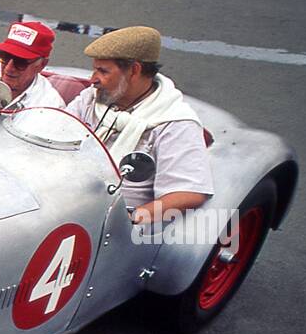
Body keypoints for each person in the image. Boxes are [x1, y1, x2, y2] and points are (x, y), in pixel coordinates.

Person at [66, 26, 213, 224]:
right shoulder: (91, 99)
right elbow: (58, 131)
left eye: (102, 71)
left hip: (112, 222)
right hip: (66, 200)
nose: (93, 79)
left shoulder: (175, 123)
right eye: (95, 69)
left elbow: (188, 193)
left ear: (134, 71)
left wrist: (128, 220)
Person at [0, 22, 64, 111]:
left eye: (20, 62)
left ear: (41, 65)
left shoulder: (51, 107)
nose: (8, 68)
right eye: (4, 57)